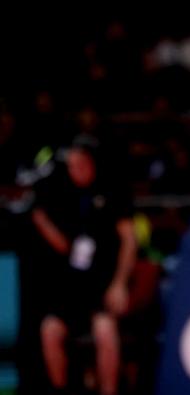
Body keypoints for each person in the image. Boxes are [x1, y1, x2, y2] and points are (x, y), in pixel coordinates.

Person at [32, 142, 137, 395]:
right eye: (71, 166)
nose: (75, 170)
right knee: (49, 330)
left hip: (104, 284)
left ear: (92, 163)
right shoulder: (63, 194)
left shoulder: (111, 191)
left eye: (80, 164)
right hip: (73, 287)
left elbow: (129, 240)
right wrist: (42, 221)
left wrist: (120, 284)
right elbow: (64, 246)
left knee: (104, 330)